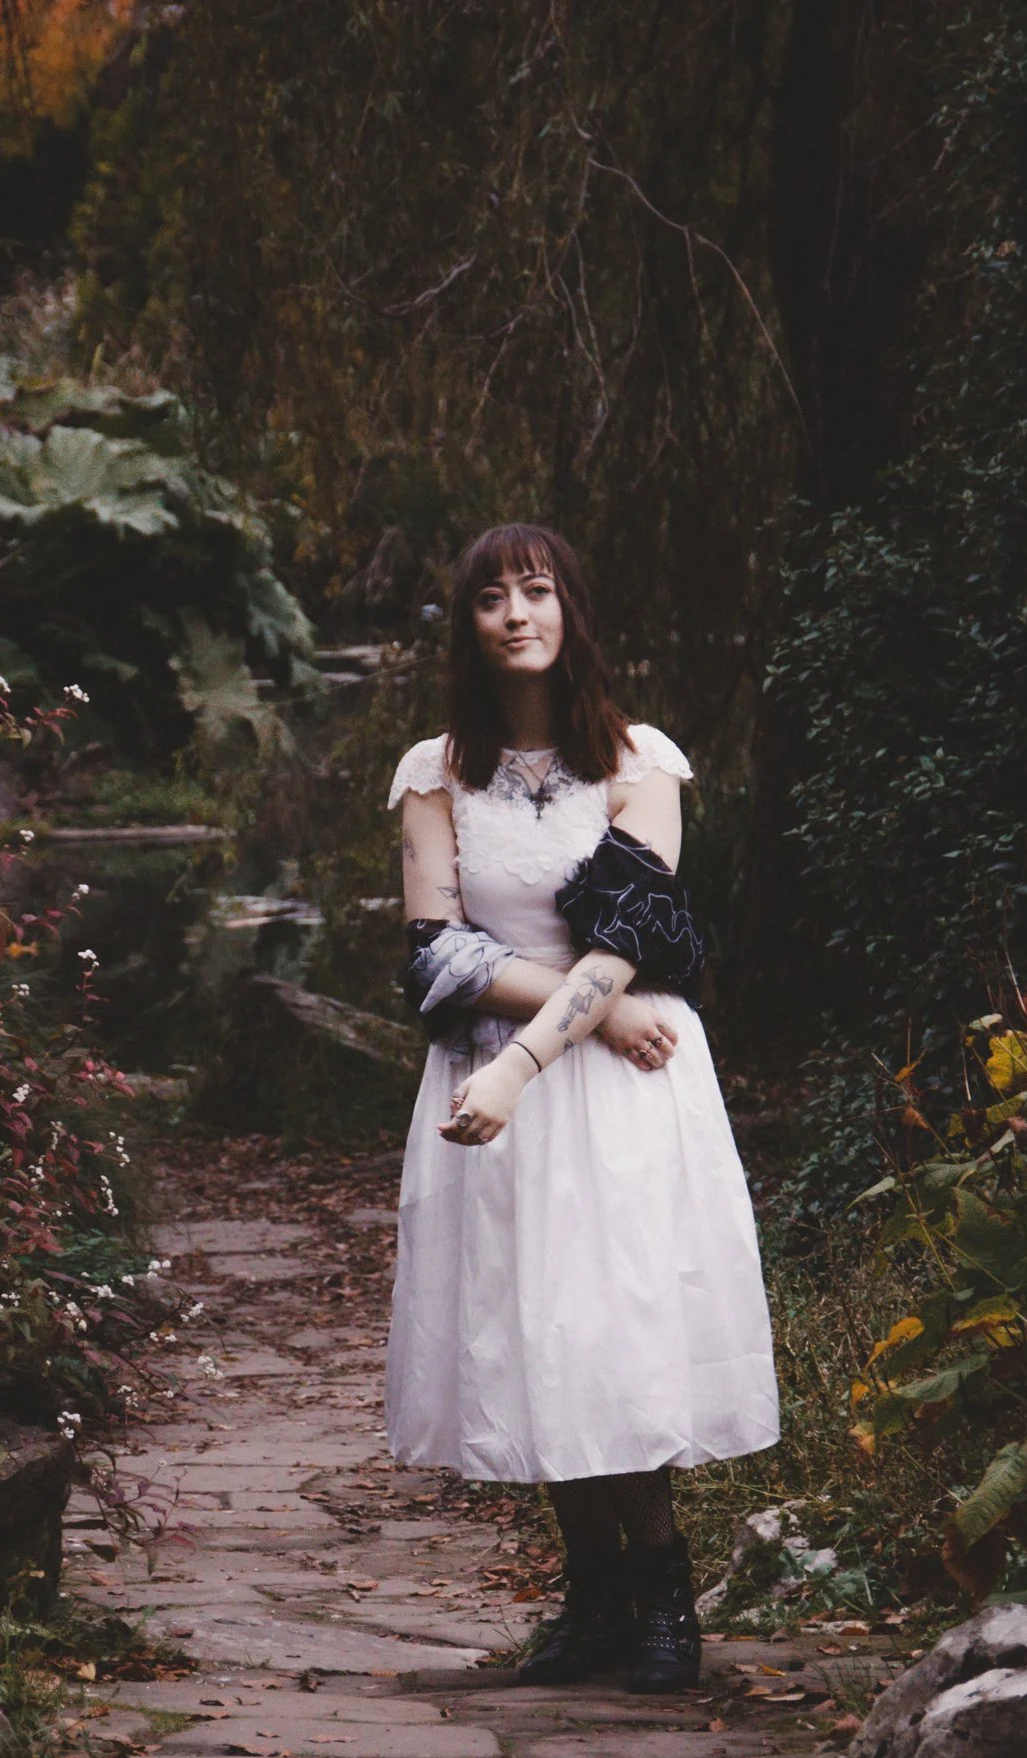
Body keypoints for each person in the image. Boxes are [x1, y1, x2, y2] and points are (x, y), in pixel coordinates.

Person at [386, 522, 779, 1692]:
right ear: (467, 626)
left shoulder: (639, 759)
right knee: (537, 1332)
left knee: (609, 1328)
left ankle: (665, 1593)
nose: (517, 613)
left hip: (621, 1094)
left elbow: (635, 929)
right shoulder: (432, 772)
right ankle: (594, 1600)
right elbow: (432, 951)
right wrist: (580, 1015)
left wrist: (532, 1057)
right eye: (492, 597)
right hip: (520, 1071)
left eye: (538, 590)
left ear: (571, 612)